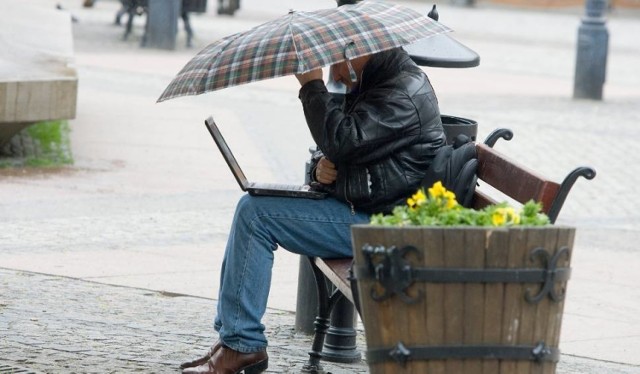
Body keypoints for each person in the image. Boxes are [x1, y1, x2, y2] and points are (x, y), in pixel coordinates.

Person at [179, 47, 447, 374]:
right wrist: (320, 169)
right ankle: (234, 338)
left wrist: (310, 86)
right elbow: (344, 151)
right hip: (371, 210)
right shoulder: (382, 83)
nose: (333, 72)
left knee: (255, 215)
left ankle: (240, 343)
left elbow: (342, 140)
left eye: (336, 60)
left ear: (360, 52)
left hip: (382, 224)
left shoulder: (401, 94)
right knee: (251, 208)